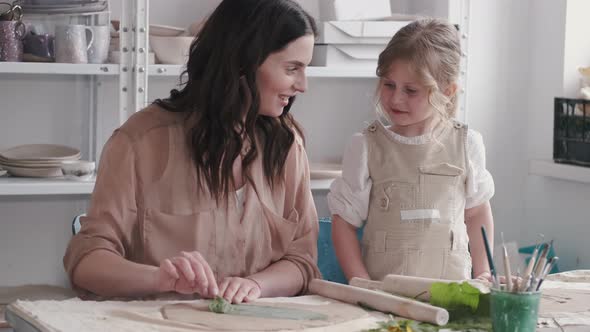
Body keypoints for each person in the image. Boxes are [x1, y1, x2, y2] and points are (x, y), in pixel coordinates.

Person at [63, 0, 320, 304]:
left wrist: (256, 285)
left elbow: (302, 260)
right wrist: (160, 278)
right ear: (242, 62)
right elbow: (86, 261)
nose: (302, 85)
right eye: (292, 68)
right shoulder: (140, 142)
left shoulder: (287, 144)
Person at [328, 18, 495, 282]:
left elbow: (476, 213)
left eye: (411, 90)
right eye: (389, 84)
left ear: (447, 91)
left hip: (453, 296)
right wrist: (360, 282)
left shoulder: (467, 144)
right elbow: (344, 223)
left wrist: (484, 271)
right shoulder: (365, 147)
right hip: (385, 300)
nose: (396, 98)